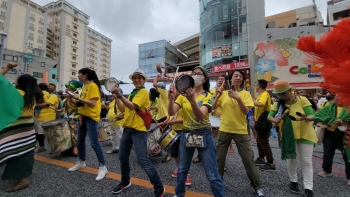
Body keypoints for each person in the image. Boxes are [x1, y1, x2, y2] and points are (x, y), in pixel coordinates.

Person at [168, 66, 224, 197]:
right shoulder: (182, 96)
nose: (196, 76)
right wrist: (171, 98)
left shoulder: (209, 96)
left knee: (212, 174)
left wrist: (192, 100)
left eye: (199, 74)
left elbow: (200, 116)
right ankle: (179, 193)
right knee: (182, 169)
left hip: (204, 134)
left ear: (204, 79)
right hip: (186, 133)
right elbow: (171, 112)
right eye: (194, 74)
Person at [111, 68, 165, 197]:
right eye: (134, 77)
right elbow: (124, 108)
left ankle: (159, 187)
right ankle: (125, 181)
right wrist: (117, 97)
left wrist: (119, 95)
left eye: (139, 77)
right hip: (127, 130)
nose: (136, 80)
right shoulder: (133, 93)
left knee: (143, 160)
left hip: (138, 131)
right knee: (123, 157)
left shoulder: (143, 92)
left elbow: (132, 106)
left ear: (144, 79)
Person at [213, 69, 264, 197]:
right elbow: (212, 108)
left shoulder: (246, 94)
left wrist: (238, 98)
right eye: (236, 75)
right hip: (224, 129)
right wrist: (218, 95)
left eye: (240, 76)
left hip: (240, 131)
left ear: (242, 80)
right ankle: (219, 186)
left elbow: (246, 112)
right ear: (230, 79)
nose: (238, 78)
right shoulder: (223, 93)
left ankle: (257, 187)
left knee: (248, 159)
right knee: (219, 159)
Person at [268, 80, 317, 197]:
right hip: (289, 136)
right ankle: (293, 181)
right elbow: (270, 116)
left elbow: (312, 115)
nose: (281, 96)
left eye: (283, 93)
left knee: (306, 162)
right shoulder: (278, 103)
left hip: (305, 134)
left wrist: (306, 118)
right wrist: (274, 120)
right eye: (279, 94)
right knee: (292, 159)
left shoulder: (302, 100)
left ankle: (308, 188)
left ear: (290, 90)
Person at [0, 63, 40, 192]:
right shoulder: (32, 95)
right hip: (28, 127)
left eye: (17, 79)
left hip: (14, 126)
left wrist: (7, 68)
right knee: (25, 151)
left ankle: (23, 179)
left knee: (12, 149)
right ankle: (23, 178)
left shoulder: (17, 93)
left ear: (21, 82)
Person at [67, 68, 108, 181]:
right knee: (79, 141)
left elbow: (92, 103)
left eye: (79, 74)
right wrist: (71, 99)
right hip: (83, 117)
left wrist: (76, 97)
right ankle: (81, 162)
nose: (78, 76)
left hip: (91, 118)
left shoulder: (93, 86)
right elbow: (81, 104)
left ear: (85, 75)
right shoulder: (84, 87)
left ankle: (103, 167)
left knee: (94, 143)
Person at [314, 94, 350, 186]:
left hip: (345, 134)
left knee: (347, 156)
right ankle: (327, 170)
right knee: (328, 153)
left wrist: (343, 121)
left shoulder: (348, 107)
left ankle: (349, 177)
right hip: (330, 133)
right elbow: (318, 115)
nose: (337, 98)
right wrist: (330, 120)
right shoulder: (329, 106)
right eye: (336, 96)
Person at [254, 79, 276, 171]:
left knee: (263, 142)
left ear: (259, 86)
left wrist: (249, 101)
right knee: (260, 141)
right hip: (259, 121)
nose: (255, 86)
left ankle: (271, 163)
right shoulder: (261, 95)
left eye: (256, 84)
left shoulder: (264, 94)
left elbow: (261, 104)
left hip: (263, 121)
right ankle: (261, 158)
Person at [35, 83, 59, 152]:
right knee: (40, 133)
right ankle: (43, 146)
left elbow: (48, 104)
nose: (50, 87)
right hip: (41, 117)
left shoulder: (53, 96)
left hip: (47, 117)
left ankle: (55, 147)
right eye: (49, 86)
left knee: (48, 133)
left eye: (52, 87)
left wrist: (36, 105)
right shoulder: (39, 94)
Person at [153, 74, 171, 163]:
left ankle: (169, 154)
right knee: (162, 136)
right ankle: (162, 151)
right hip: (162, 116)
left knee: (165, 136)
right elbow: (160, 105)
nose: (156, 89)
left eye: (158, 88)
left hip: (164, 117)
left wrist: (157, 77)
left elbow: (154, 84)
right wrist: (153, 108)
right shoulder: (162, 96)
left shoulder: (164, 92)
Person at [104, 88, 125, 154]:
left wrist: (121, 114)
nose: (112, 95)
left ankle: (123, 150)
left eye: (114, 93)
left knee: (120, 136)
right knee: (113, 135)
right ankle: (115, 148)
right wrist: (104, 106)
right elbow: (110, 108)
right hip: (112, 122)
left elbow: (127, 111)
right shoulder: (113, 101)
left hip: (119, 122)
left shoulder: (122, 100)